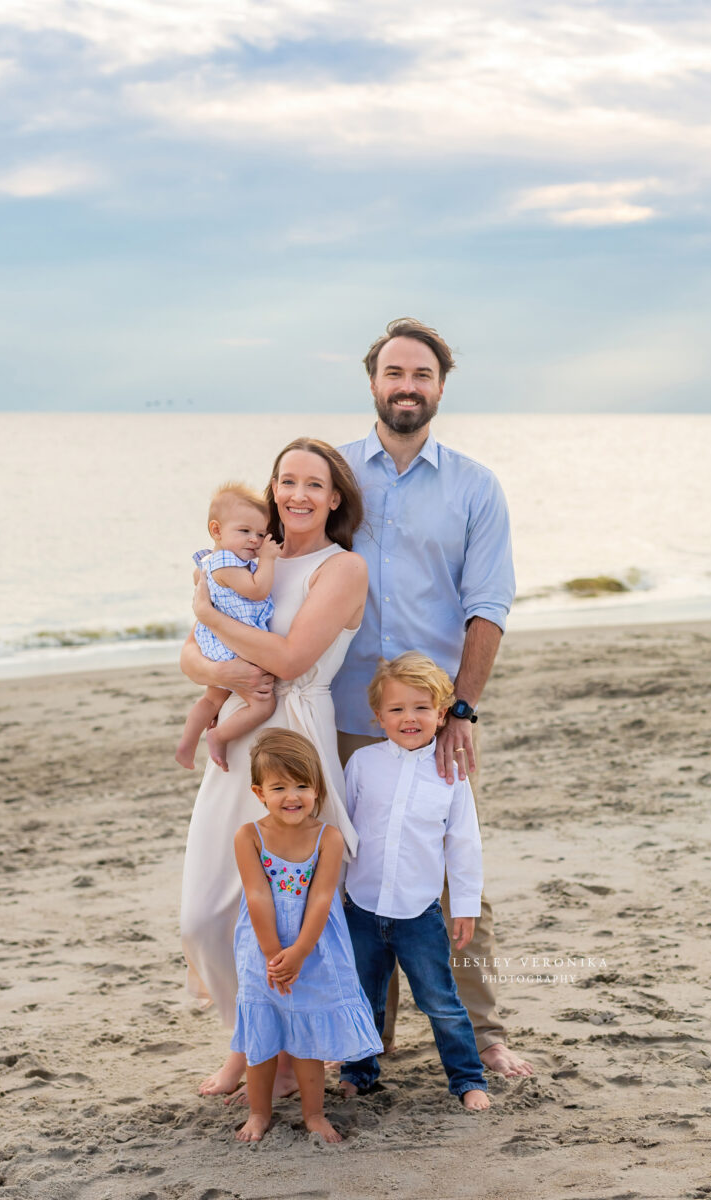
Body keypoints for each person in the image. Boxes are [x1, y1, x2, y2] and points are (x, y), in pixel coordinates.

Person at [333, 317, 533, 1079]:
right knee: (350, 876)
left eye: (421, 374)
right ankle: (361, 1039)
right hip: (343, 714)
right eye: (394, 373)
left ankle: (483, 1034)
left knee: (451, 867)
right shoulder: (336, 473)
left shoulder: (475, 486)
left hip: (433, 717)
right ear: (373, 382)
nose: (406, 386)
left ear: (440, 387)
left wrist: (463, 710)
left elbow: (488, 603)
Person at [179, 438, 368, 1100]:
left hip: (294, 737)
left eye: (314, 484)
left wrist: (206, 614)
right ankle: (246, 1035)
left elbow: (289, 661)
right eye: (286, 480)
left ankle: (281, 1054)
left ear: (335, 497)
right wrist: (218, 666)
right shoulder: (253, 553)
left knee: (287, 909)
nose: (297, 494)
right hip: (238, 739)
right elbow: (191, 655)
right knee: (204, 911)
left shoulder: (341, 568)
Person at [339, 653, 489, 1111]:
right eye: (397, 709)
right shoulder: (363, 764)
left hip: (418, 914)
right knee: (363, 997)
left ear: (442, 714)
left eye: (422, 708)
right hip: (361, 908)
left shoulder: (450, 775)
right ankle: (358, 1074)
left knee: (440, 1001)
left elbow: (463, 844)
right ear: (378, 717)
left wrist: (464, 906)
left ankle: (467, 1080)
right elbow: (341, 832)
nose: (410, 718)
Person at [232, 728, 382, 1143]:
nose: (291, 796)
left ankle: (314, 1114)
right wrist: (272, 953)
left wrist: (298, 951)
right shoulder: (249, 836)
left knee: (308, 1032)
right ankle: (260, 1113)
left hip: (314, 948)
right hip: (261, 947)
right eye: (279, 787)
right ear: (259, 792)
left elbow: (320, 901)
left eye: (302, 785)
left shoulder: (327, 837)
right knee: (261, 1029)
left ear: (317, 789)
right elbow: (258, 894)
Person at [175, 483, 281, 772]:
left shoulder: (214, 561)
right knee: (263, 706)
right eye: (244, 531)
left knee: (212, 699)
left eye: (260, 534)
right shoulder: (226, 564)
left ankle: (186, 745)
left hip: (222, 643)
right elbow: (257, 591)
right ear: (217, 531)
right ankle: (218, 735)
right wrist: (268, 559)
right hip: (233, 649)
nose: (254, 540)